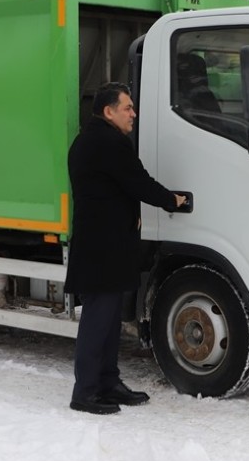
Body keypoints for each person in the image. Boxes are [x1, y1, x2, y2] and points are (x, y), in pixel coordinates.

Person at [65, 83, 187, 415]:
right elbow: (138, 181)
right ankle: (85, 392)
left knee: (107, 320)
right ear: (108, 112)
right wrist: (172, 200)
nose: (133, 114)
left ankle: (107, 383)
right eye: (127, 108)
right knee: (97, 321)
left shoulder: (88, 140)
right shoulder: (109, 143)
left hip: (104, 245)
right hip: (104, 248)